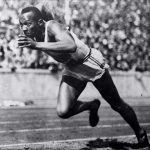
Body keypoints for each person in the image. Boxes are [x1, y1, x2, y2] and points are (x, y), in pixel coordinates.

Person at [18, 6, 150, 148]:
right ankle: (91, 105)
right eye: (21, 25)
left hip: (89, 63)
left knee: (117, 104)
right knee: (63, 111)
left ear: (39, 22)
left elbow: (70, 46)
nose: (24, 28)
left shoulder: (52, 27)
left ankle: (140, 133)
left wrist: (37, 45)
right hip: (72, 68)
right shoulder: (35, 35)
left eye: (27, 24)